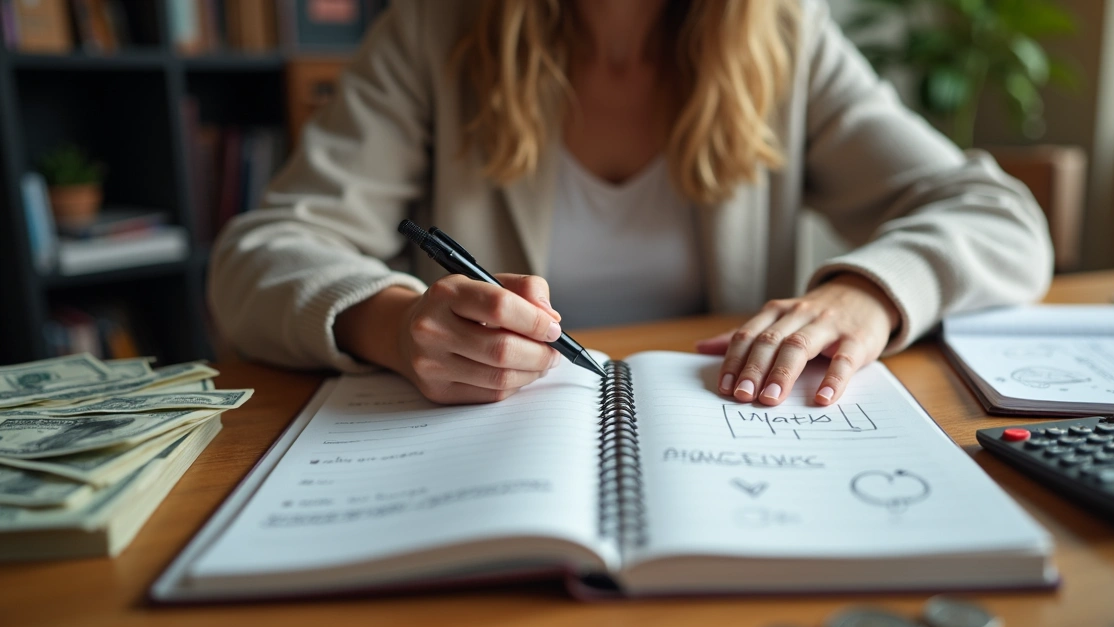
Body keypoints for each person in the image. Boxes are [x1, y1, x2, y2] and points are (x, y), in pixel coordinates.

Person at [208, 0, 1052, 407]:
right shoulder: (435, 30)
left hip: (722, 432)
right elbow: (262, 253)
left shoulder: (785, 37)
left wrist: (866, 295)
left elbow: (999, 215)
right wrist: (389, 322)